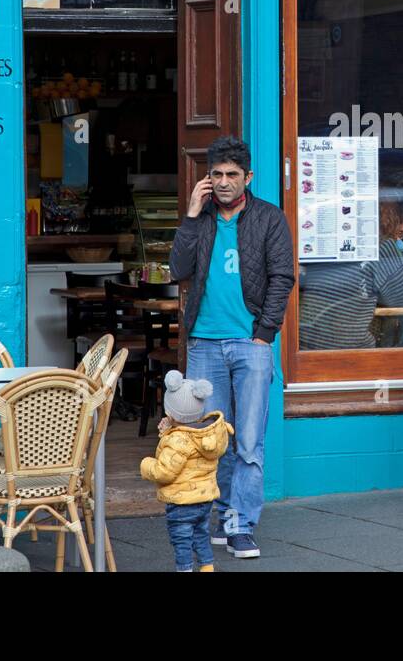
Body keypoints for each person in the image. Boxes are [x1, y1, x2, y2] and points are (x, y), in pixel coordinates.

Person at [169, 135, 294, 559]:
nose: (223, 182)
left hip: (250, 344)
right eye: (216, 175)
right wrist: (189, 214)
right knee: (210, 439)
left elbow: (282, 277)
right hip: (204, 344)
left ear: (248, 177)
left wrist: (265, 333)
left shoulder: (269, 218)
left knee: (249, 441)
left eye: (231, 175)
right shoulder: (201, 220)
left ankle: (241, 523)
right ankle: (220, 513)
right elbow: (178, 270)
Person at [139, 372, 233, 573]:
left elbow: (165, 471)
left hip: (181, 502)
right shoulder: (207, 434)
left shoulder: (177, 441)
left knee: (181, 540)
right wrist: (168, 430)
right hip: (204, 499)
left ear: (171, 414)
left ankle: (184, 569)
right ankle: (207, 567)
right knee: (201, 535)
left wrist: (147, 465)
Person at [298, 200, 403, 350]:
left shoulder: (330, 242)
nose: (402, 227)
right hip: (346, 346)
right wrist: (400, 249)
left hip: (304, 337)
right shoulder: (381, 247)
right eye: (399, 221)